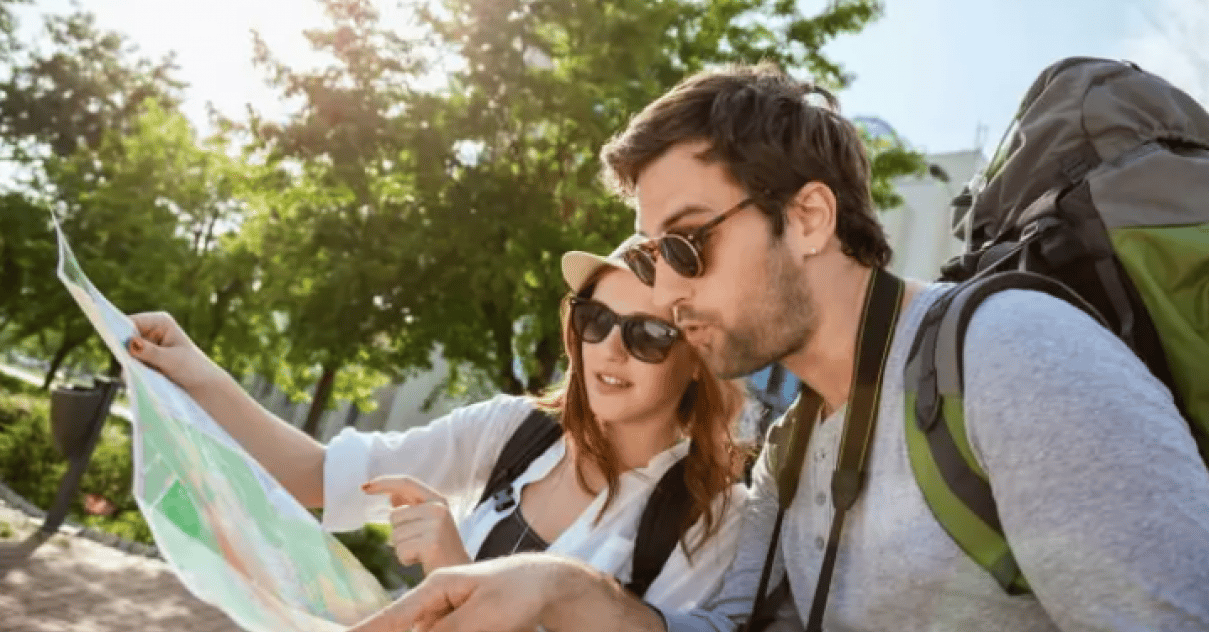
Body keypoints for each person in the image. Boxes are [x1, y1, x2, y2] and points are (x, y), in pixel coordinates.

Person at [347, 62, 1209, 632]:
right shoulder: (794, 450)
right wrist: (554, 586)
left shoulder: (1012, 359)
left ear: (810, 216)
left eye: (685, 243)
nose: (665, 292)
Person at [126, 238, 749, 611]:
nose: (610, 349)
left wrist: (456, 572)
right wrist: (196, 370)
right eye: (597, 320)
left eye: (648, 335)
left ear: (697, 361)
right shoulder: (514, 429)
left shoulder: (712, 517)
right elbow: (318, 475)